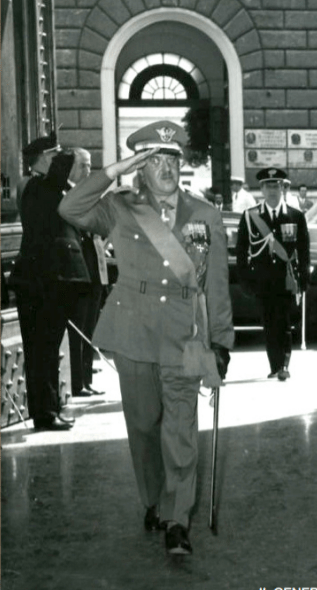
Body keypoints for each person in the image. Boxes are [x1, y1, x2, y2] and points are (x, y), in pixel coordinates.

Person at [59, 120, 234, 556]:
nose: (166, 168)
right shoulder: (119, 208)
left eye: (172, 159)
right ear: (141, 166)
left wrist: (221, 341)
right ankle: (154, 498)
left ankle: (177, 520)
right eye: (155, 160)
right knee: (142, 426)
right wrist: (112, 171)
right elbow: (70, 208)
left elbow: (216, 284)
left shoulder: (205, 214)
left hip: (184, 334)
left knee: (180, 428)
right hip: (134, 331)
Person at [10, 137, 77, 431]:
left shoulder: (38, 185)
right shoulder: (37, 185)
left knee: (45, 350)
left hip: (40, 280)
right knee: (43, 350)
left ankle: (48, 409)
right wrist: (63, 152)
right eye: (53, 154)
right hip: (41, 281)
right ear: (43, 158)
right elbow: (65, 163)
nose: (58, 159)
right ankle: (46, 413)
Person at [236, 167, 310, 381]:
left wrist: (304, 278)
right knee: (269, 324)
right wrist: (245, 280)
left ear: (282, 188)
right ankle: (275, 365)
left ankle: (284, 365)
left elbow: (303, 250)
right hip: (263, 280)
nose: (272, 190)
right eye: (268, 186)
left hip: (286, 279)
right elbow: (241, 251)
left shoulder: (295, 216)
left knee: (285, 323)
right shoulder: (250, 217)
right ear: (261, 189)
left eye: (276, 186)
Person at [64, 147, 109, 398]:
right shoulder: (68, 195)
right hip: (81, 269)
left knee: (90, 326)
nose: (88, 170)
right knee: (79, 327)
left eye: (90, 165)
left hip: (95, 267)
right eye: (83, 165)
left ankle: (86, 377)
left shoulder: (88, 194)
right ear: (70, 167)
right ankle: (77, 381)